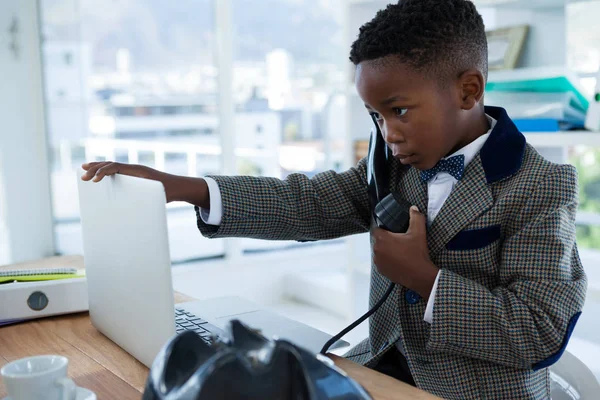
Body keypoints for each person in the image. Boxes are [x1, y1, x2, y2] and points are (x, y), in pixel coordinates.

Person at [81, 0, 587, 398]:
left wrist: (424, 279)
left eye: (400, 111)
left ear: (468, 90)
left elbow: (539, 331)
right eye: (376, 116)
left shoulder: (542, 187)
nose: (388, 133)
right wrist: (183, 187)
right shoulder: (395, 165)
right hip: (380, 370)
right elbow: (306, 202)